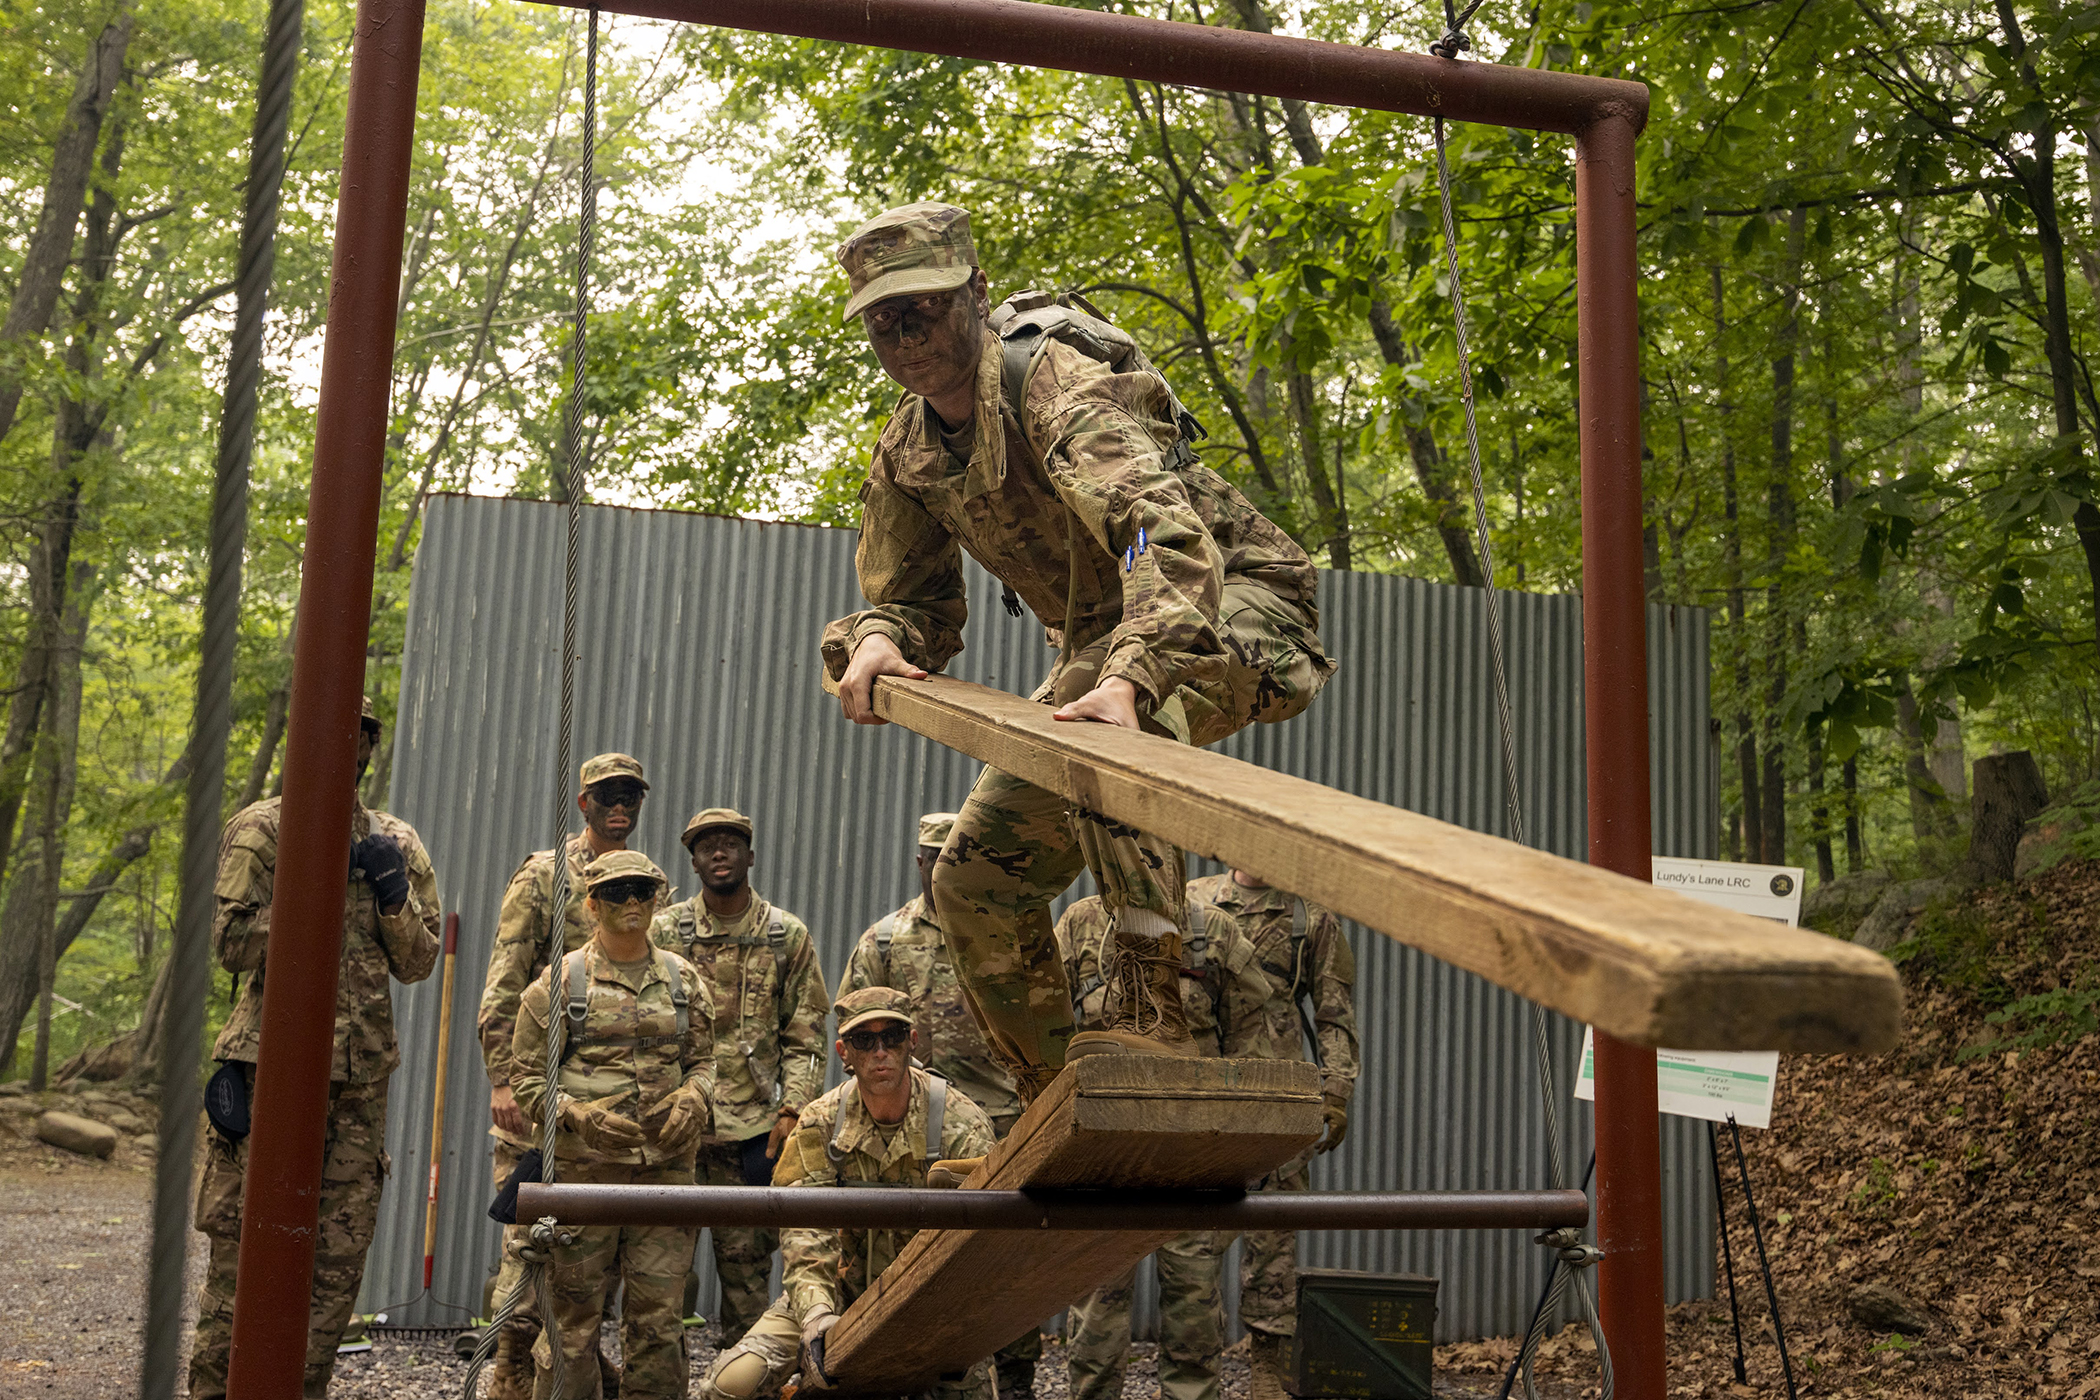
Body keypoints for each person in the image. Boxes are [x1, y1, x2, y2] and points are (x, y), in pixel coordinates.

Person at [820, 202, 1334, 1099]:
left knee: (1100, 726)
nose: (907, 338)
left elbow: (1157, 539)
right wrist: (876, 641)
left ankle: (1152, 1022)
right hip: (1105, 645)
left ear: (975, 295)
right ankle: (1057, 1097)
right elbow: (914, 602)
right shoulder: (908, 452)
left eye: (926, 310)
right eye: (884, 321)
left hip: (1239, 602)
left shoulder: (1048, 383)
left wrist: (1133, 674)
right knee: (974, 878)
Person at [186, 697, 442, 1400]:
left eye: (359, 737)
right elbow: (230, 943)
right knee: (242, 1268)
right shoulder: (263, 828)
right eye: (332, 733)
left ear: (367, 749)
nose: (346, 749)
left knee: (333, 1273)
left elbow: (420, 962)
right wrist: (316, 888)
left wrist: (391, 893)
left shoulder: (397, 839)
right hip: (269, 1069)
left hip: (359, 1079)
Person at [697, 987, 997, 1400]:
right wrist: (817, 1314)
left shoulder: (960, 1124)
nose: (880, 1051)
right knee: (730, 1385)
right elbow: (805, 1233)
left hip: (933, 1307)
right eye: (864, 1040)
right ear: (844, 1051)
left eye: (892, 1037)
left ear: (911, 1043)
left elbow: (986, 1247)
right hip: (840, 1292)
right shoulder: (821, 1123)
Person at [835, 810, 1038, 1396]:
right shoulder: (884, 940)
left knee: (1004, 1257)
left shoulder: (1008, 932)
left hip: (1000, 1117)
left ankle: (1017, 1377)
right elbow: (854, 1031)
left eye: (957, 856)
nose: (943, 868)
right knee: (915, 1252)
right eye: (934, 857)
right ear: (920, 863)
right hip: (911, 1123)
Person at [477, 751, 657, 1397]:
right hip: (541, 1099)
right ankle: (506, 1384)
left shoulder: (640, 883)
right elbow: (503, 987)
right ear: (583, 802)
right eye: (606, 794)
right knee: (530, 1260)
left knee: (594, 1273)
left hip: (609, 1113)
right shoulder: (544, 877)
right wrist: (503, 1082)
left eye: (630, 796)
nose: (619, 805)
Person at [1053, 892, 1275, 1400]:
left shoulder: (1213, 933)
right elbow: (1050, 1038)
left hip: (1191, 1160)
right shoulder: (1081, 926)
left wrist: (1245, 1149)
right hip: (1101, 1158)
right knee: (1095, 1322)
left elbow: (1251, 1048)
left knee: (1194, 1313)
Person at [512, 850, 715, 1400]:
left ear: (657, 900)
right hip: (583, 1181)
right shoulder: (557, 985)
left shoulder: (684, 980)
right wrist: (578, 1116)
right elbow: (526, 1080)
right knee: (571, 1328)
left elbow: (704, 1062)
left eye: (642, 892)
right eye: (618, 892)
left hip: (665, 1178)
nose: (632, 902)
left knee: (659, 1323)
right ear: (592, 904)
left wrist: (695, 1098)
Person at [652, 807, 827, 1340]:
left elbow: (807, 1034)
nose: (719, 853)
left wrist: (794, 1109)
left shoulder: (784, 936)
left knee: (748, 1285)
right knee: (658, 1286)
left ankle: (739, 1383)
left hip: (753, 1133)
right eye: (707, 846)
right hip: (674, 1134)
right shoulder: (665, 932)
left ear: (750, 856)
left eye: (730, 843)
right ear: (694, 861)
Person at [1186, 868, 1360, 1400]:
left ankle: (1267, 1367)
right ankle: (1193, 1370)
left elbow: (1334, 1013)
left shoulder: (1311, 918)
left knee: (1273, 1239)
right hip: (1205, 1092)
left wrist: (1336, 1091)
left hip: (1279, 1098)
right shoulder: (1193, 900)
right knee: (1194, 1240)